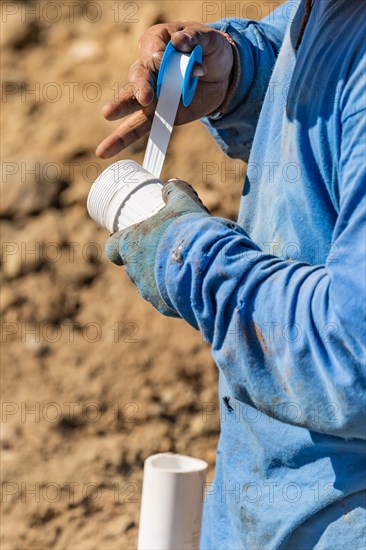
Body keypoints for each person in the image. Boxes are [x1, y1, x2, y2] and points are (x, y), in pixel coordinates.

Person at [96, 0, 366, 547]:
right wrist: (243, 73)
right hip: (273, 498)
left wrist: (189, 255)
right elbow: (328, 73)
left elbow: (352, 354)